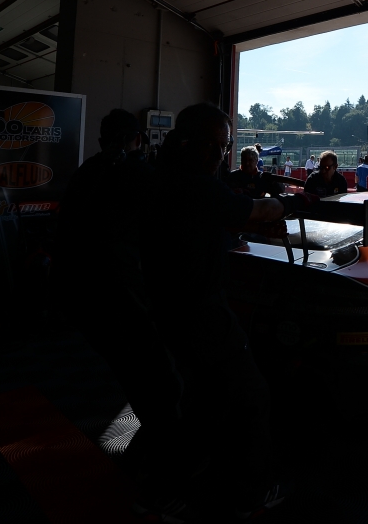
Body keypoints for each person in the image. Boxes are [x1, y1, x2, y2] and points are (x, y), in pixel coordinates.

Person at [142, 103, 310, 518]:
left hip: (168, 308)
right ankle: (252, 491)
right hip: (200, 310)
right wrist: (291, 204)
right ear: (188, 142)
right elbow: (255, 210)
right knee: (253, 396)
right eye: (214, 145)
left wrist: (242, 224)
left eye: (226, 146)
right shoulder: (197, 185)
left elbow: (211, 223)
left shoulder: (162, 176)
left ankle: (174, 486)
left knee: (203, 398)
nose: (220, 154)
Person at [52, 110, 185, 509]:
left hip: (81, 297)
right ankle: (163, 479)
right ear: (139, 138)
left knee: (134, 377)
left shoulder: (86, 173)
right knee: (162, 384)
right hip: (120, 296)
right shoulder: (138, 174)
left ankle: (141, 449)